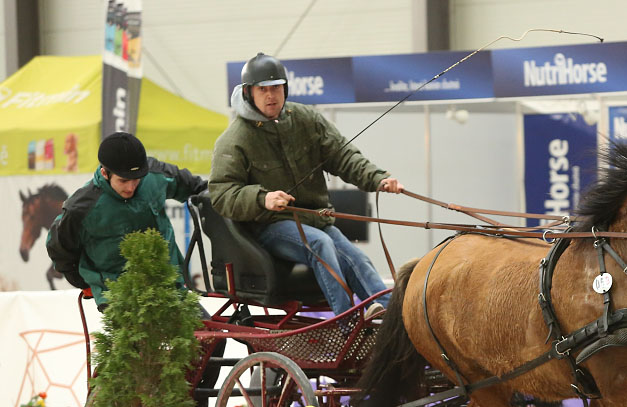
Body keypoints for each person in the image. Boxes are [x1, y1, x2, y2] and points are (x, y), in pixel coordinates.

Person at [208, 52, 400, 320]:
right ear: (249, 92)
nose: (271, 95)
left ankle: (391, 318)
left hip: (314, 219)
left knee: (356, 257)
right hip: (268, 226)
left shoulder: (306, 119)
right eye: (263, 89)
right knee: (320, 244)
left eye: (276, 87)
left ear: (285, 88)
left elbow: (343, 155)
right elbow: (221, 193)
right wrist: (262, 198)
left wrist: (377, 178)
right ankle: (346, 324)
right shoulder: (233, 140)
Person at [46, 132, 208, 309]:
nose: (131, 187)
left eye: (136, 180)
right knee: (145, 337)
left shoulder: (154, 174)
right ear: (104, 173)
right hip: (117, 296)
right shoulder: (81, 207)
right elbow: (58, 247)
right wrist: (84, 283)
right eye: (123, 181)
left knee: (214, 337)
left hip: (168, 284)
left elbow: (198, 189)